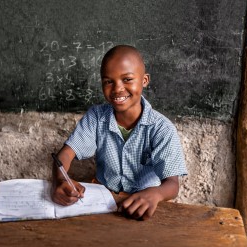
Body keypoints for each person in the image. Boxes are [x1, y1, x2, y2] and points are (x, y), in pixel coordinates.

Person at [51, 45, 187, 220]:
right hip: (104, 201)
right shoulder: (96, 117)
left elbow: (172, 185)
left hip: (146, 203)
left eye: (127, 79)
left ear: (144, 80)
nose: (117, 89)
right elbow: (65, 155)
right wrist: (59, 181)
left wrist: (156, 194)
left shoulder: (161, 128)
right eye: (108, 81)